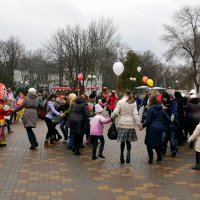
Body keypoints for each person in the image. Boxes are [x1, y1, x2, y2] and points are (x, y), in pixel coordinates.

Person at [111, 91, 142, 164]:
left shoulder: (120, 101)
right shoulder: (133, 102)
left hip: (122, 123)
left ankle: (121, 155)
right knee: (128, 141)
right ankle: (128, 153)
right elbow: (135, 114)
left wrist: (112, 117)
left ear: (124, 94)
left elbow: (115, 112)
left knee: (122, 141)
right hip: (130, 124)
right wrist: (139, 124)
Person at [141, 96, 172, 164]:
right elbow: (167, 118)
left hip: (151, 129)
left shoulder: (150, 109)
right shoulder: (162, 109)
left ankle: (151, 159)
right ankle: (159, 157)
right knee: (158, 143)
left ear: (151, 102)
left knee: (149, 144)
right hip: (160, 128)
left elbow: (148, 120)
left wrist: (143, 126)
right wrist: (171, 122)